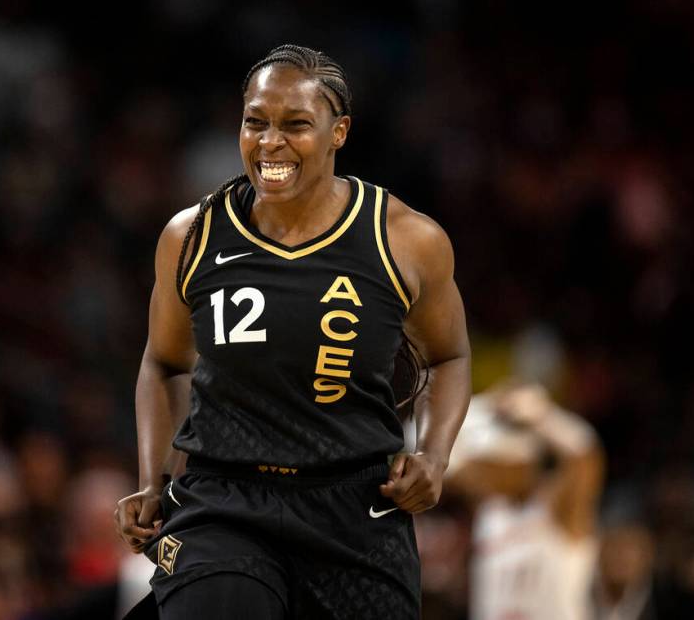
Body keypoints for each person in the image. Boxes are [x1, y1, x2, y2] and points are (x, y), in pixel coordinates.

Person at [115, 44, 472, 619]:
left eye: (296, 124)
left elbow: (448, 357)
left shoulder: (407, 239)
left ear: (339, 132)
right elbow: (165, 363)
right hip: (223, 502)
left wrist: (432, 454)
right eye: (255, 121)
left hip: (354, 509)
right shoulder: (191, 236)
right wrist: (153, 480)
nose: (270, 141)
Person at [444, 380, 604, 620]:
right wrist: (485, 405)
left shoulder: (559, 506)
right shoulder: (489, 510)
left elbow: (585, 457)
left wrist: (543, 415)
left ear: (523, 465)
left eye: (494, 463)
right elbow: (441, 464)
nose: (483, 470)